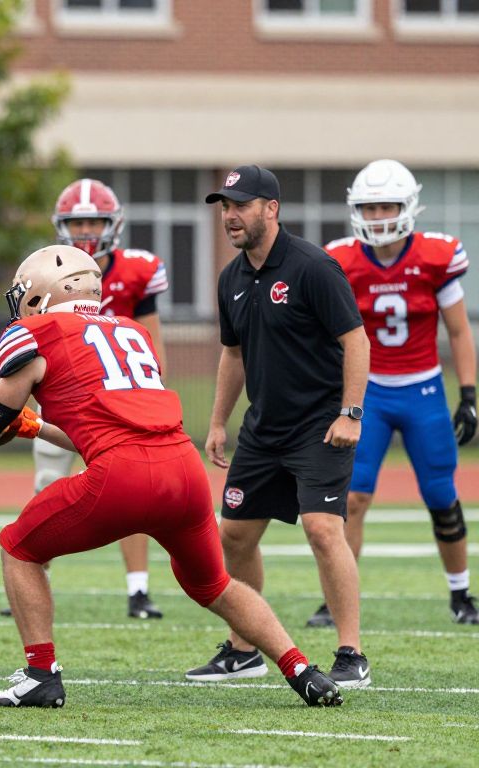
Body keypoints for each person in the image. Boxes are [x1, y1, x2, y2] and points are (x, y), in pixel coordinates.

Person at [0, 244, 342, 710]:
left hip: (120, 475)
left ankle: (41, 674)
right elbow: (105, 429)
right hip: (182, 469)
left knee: (18, 548)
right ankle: (301, 669)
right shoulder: (130, 330)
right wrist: (35, 426)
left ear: (42, 295)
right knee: (216, 586)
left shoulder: (35, 332)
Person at [190, 165, 373, 690]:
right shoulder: (231, 279)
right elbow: (233, 354)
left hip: (320, 426)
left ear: (271, 208)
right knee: (235, 536)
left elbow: (356, 342)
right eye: (224, 206)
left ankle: (350, 652)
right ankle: (245, 649)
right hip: (263, 430)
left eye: (240, 205)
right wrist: (219, 421)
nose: (230, 216)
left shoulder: (314, 267)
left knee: (322, 529)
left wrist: (350, 412)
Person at [309, 159, 477, 626]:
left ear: (408, 207)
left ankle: (461, 594)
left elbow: (460, 332)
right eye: (370, 206)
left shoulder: (435, 257)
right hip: (370, 395)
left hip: (422, 389)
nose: (379, 215)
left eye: (387, 205)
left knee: (442, 495)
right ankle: (335, 599)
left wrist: (467, 393)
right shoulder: (342, 260)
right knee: (353, 498)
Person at [22, 178, 169, 620]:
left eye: (93, 220)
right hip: (63, 398)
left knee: (133, 494)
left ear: (113, 224)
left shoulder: (137, 270)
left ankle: (138, 590)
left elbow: (151, 342)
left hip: (120, 401)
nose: (86, 229)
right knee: (47, 484)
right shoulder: (45, 269)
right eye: (78, 221)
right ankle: (32, 576)